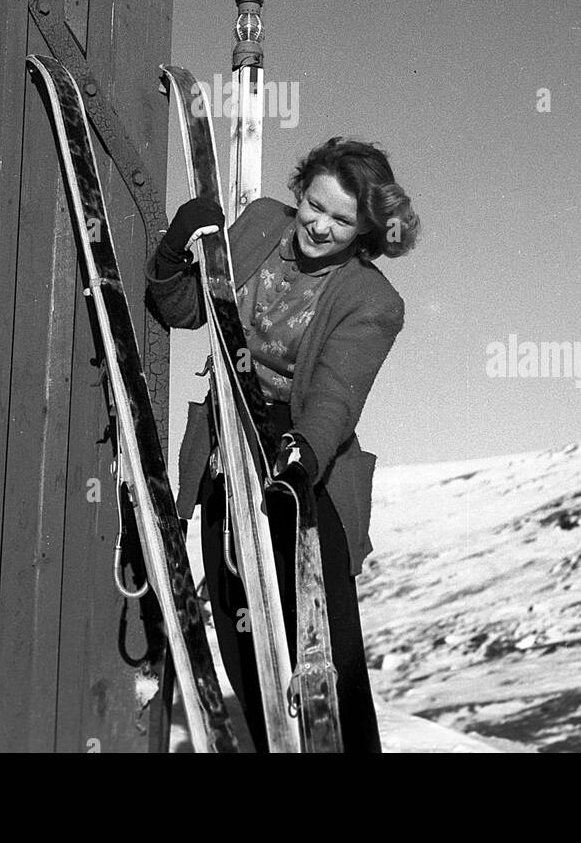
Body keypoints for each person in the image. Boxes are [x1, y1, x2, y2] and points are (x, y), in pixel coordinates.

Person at [145, 136, 418, 753]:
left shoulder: (373, 301)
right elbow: (186, 308)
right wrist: (175, 247)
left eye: (341, 220)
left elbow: (334, 398)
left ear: (366, 231)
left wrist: (301, 455)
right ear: (299, 193)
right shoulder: (266, 224)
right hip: (227, 451)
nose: (318, 226)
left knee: (327, 653)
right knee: (246, 640)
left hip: (302, 467)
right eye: (313, 206)